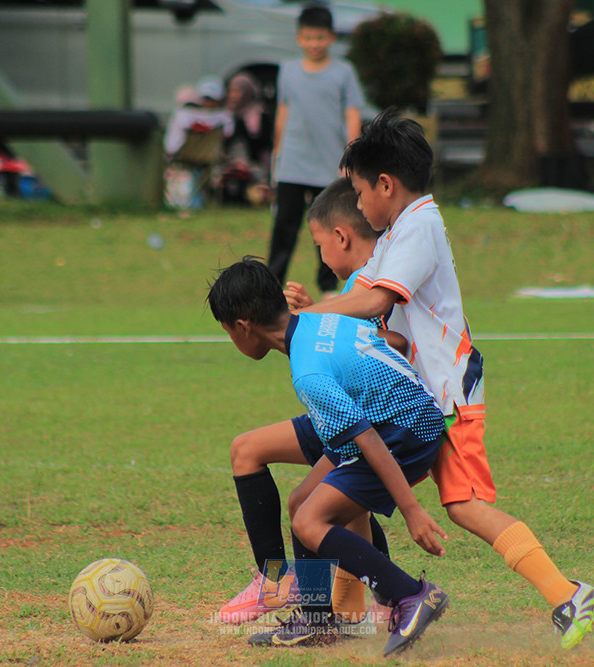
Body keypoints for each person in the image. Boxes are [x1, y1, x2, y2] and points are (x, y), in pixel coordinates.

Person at [300, 108, 594, 650]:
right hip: (415, 400)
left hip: (447, 395)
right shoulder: (397, 233)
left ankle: (567, 592)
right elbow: (355, 297)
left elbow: (374, 300)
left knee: (462, 505)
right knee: (352, 484)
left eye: (360, 191)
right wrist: (307, 312)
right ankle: (343, 613)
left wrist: (304, 321)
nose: (359, 204)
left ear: (386, 185)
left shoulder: (420, 225)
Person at [207, 257, 450, 656]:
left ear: (243, 326)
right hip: (400, 416)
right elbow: (394, 345)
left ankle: (410, 594)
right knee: (301, 500)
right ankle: (316, 621)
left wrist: (411, 511)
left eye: (227, 331)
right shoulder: (320, 321)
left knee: (309, 519)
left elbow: (369, 440)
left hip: (404, 433)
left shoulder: (308, 372)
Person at [218, 179, 388, 627]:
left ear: (242, 326)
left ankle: (364, 603)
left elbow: (389, 342)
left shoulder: (369, 287)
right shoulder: (338, 301)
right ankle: (277, 582)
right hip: (338, 414)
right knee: (247, 450)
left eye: (318, 244)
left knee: (317, 503)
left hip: (366, 417)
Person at [267, 3, 365, 297]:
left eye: (320, 38)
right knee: (284, 225)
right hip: (293, 163)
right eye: (308, 38)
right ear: (299, 38)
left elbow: (352, 114)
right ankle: (272, 286)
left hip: (329, 164)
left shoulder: (343, 72)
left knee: (330, 227)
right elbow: (283, 113)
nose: (314, 44)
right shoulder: (287, 71)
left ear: (331, 38)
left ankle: (328, 286)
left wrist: (350, 156)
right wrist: (277, 154)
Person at [163, 76, 235, 209]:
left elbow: (170, 145)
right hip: (209, 158)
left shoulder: (182, 115)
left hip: (185, 157)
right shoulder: (225, 118)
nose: (207, 102)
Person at [221, 72, 274, 206]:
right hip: (233, 162)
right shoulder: (226, 115)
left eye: (237, 91)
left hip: (257, 163)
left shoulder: (260, 115)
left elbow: (264, 144)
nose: (233, 95)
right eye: (231, 91)